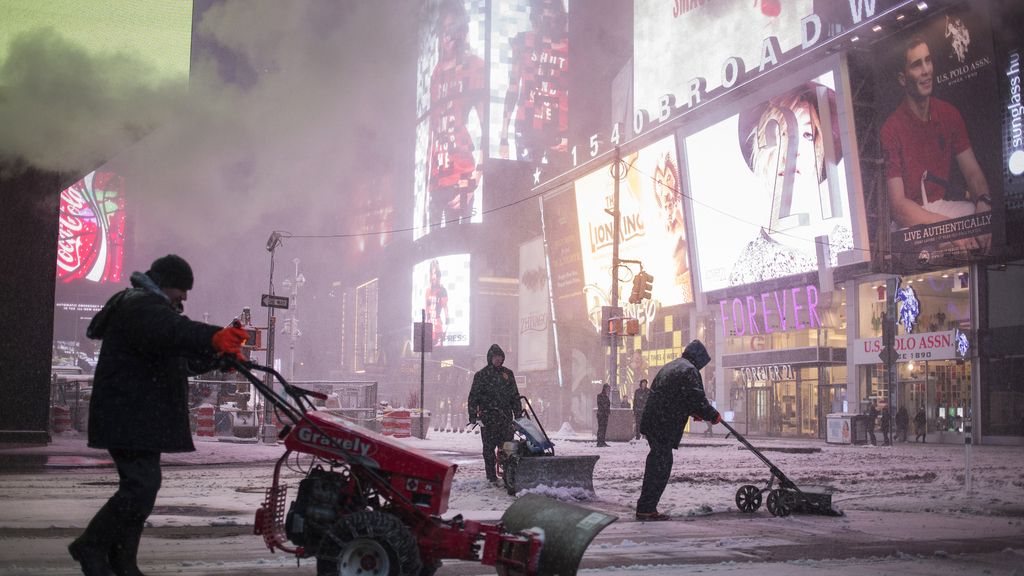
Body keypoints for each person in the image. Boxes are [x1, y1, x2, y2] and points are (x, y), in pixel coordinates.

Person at [68, 255, 249, 576]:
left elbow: (178, 359)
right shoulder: (139, 306)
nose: (186, 297)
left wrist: (218, 359)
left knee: (141, 488)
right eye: (182, 289)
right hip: (129, 415)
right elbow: (173, 331)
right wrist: (213, 336)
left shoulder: (149, 310)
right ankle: (92, 545)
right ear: (165, 283)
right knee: (141, 487)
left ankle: (123, 562)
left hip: (135, 416)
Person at [732, 81, 852, 285]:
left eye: (806, 135)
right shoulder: (748, 266)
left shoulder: (848, 246)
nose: (792, 149)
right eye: (781, 132)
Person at [880, 35, 992, 254]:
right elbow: (899, 207)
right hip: (912, 220)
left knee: (976, 214)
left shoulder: (949, 114)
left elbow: (973, 174)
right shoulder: (891, 129)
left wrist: (984, 210)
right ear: (903, 79)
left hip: (944, 210)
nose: (926, 71)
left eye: (928, 61)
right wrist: (948, 229)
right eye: (916, 65)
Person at [635, 340, 721, 521]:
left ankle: (646, 506)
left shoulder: (674, 366)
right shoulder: (689, 370)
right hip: (664, 424)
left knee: (657, 463)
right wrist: (711, 414)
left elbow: (678, 397)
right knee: (660, 466)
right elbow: (696, 398)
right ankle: (646, 508)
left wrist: (694, 412)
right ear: (698, 359)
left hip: (655, 422)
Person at [425, 0, 486, 229]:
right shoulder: (436, 73)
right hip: (436, 180)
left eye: (452, 29)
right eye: (442, 31)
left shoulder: (474, 67)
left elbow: (486, 129)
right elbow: (433, 131)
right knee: (432, 251)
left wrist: (475, 178)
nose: (446, 37)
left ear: (462, 30)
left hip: (461, 175)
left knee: (458, 248)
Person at [498, 0, 568, 166]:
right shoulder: (523, 42)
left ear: (559, 11)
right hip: (527, 128)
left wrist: (570, 132)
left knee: (557, 186)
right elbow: (512, 88)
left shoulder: (570, 47)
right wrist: (503, 136)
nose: (546, 14)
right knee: (527, 185)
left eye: (551, 8)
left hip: (558, 131)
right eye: (542, 8)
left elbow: (577, 93)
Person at [467, 344, 523, 484]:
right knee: (488, 449)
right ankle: (491, 476)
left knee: (507, 448)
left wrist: (518, 414)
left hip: (505, 418)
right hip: (488, 418)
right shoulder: (481, 375)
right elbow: (473, 397)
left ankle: (507, 474)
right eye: (495, 357)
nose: (498, 359)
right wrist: (473, 415)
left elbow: (515, 396)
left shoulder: (508, 374)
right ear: (490, 358)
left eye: (500, 357)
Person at [424, 259, 449, 347]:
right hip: (428, 326)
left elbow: (445, 306)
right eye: (432, 273)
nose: (434, 277)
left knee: (438, 349)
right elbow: (426, 308)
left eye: (437, 274)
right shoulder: (428, 291)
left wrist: (447, 318)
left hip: (438, 325)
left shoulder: (442, 290)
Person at [596, 383, 611, 447]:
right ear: (604, 388)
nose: (608, 390)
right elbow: (601, 404)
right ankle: (599, 442)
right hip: (601, 415)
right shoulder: (600, 396)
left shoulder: (606, 397)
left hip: (605, 415)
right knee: (601, 428)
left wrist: (608, 411)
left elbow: (607, 405)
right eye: (607, 389)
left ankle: (602, 441)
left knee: (604, 428)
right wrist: (606, 409)